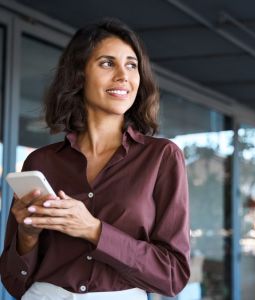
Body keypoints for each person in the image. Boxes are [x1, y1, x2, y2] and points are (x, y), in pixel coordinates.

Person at [0, 18, 190, 300]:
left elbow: (173, 275)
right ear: (79, 75)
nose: (123, 76)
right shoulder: (40, 162)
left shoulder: (161, 156)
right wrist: (27, 236)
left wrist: (94, 230)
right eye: (107, 63)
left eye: (131, 65)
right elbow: (14, 283)